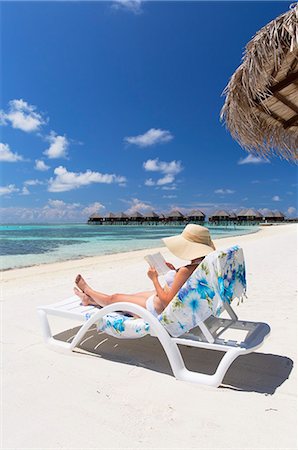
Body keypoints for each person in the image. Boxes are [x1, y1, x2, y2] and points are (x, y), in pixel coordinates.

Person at [74, 224, 216, 317]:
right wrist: (174, 272)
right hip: (166, 301)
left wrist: (154, 279)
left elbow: (167, 302)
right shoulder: (204, 266)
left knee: (115, 298)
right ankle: (91, 301)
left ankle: (88, 290)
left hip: (157, 308)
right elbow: (184, 285)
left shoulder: (187, 270)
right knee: (126, 297)